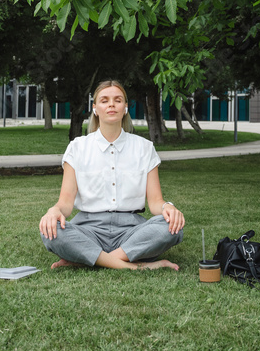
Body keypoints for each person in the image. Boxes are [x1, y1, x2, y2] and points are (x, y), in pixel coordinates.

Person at [39, 80, 185, 270]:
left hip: (131, 231)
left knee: (171, 226)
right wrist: (54, 211)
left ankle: (90, 258)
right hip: (88, 230)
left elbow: (156, 202)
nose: (111, 105)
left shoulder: (144, 147)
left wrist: (168, 208)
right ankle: (135, 265)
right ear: (95, 108)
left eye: (117, 100)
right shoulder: (77, 147)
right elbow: (65, 203)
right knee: (51, 230)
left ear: (125, 107)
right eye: (104, 100)